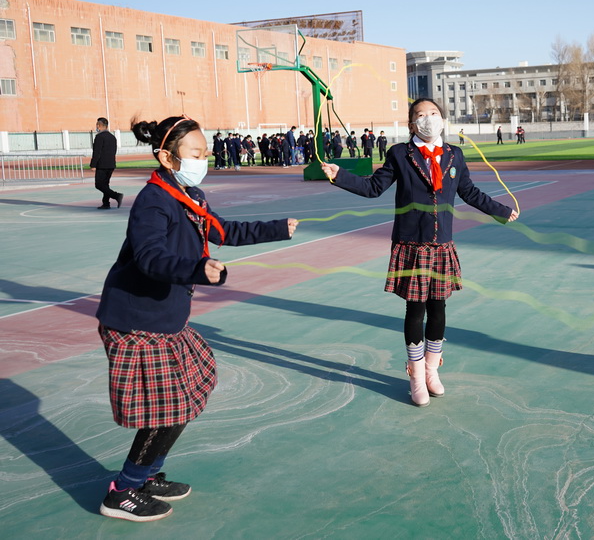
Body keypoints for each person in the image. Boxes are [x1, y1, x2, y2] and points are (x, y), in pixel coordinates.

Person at [95, 115, 298, 522]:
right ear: (168, 158)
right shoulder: (154, 201)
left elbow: (222, 231)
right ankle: (124, 490)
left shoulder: (191, 196)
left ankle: (147, 474)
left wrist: (278, 228)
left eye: (204, 153)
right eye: (195, 153)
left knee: (190, 391)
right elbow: (150, 257)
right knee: (168, 407)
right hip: (137, 318)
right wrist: (196, 269)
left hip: (165, 316)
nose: (202, 160)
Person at [320, 99, 518, 407]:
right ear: (412, 124)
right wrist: (339, 175)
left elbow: (470, 192)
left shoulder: (455, 155)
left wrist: (500, 211)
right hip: (411, 243)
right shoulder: (400, 154)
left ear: (443, 119)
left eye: (433, 114)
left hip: (441, 244)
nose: (428, 119)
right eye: (420, 115)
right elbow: (374, 187)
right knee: (415, 310)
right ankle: (414, 374)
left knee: (438, 308)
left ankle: (431, 370)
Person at [90, 117, 123, 209]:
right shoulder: (113, 137)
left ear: (99, 126)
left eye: (97, 125)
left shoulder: (99, 137)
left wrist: (93, 164)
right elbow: (114, 151)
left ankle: (117, 196)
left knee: (99, 185)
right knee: (105, 185)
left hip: (102, 165)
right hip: (111, 164)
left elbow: (97, 152)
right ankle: (106, 203)